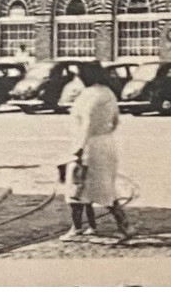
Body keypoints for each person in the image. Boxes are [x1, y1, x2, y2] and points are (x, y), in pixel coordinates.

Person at [62, 61, 127, 241]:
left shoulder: (89, 95)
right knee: (105, 189)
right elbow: (115, 121)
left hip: (88, 146)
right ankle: (122, 226)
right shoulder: (108, 92)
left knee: (76, 187)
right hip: (107, 144)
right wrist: (103, 135)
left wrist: (79, 150)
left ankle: (76, 229)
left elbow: (86, 125)